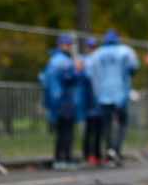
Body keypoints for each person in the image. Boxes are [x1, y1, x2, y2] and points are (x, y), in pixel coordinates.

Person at [88, 29, 139, 166]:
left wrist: (96, 94)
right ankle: (117, 148)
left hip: (103, 94)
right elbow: (132, 69)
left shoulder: (97, 54)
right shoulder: (125, 51)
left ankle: (110, 149)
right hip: (120, 93)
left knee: (106, 125)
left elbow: (92, 75)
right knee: (122, 123)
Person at [39, 35, 82, 169]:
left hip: (56, 101)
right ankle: (66, 159)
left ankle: (59, 158)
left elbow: (44, 79)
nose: (68, 47)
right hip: (65, 100)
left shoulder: (52, 61)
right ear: (60, 45)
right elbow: (71, 78)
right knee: (67, 131)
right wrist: (78, 69)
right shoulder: (63, 61)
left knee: (61, 131)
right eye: (67, 45)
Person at [78, 37, 102, 165]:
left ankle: (97, 153)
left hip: (98, 98)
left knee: (98, 128)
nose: (91, 49)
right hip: (88, 99)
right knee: (89, 128)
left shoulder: (97, 60)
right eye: (89, 47)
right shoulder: (82, 60)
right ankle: (88, 153)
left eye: (93, 47)